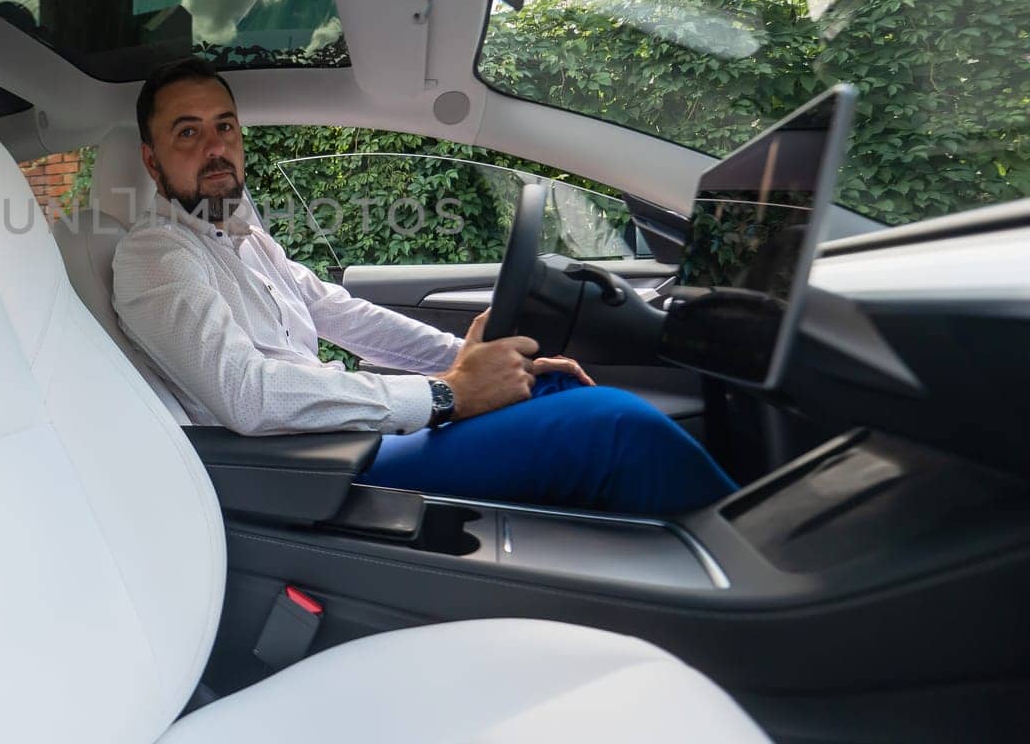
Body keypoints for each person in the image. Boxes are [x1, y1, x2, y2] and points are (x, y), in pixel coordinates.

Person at [111, 58, 737, 515]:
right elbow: (246, 395)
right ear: (151, 159)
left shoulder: (243, 236)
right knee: (610, 426)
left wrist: (464, 364)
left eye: (225, 126)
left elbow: (343, 314)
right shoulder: (156, 253)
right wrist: (445, 394)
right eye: (187, 133)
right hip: (306, 468)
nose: (216, 148)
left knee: (545, 385)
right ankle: (754, 576)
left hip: (340, 435)